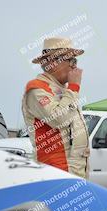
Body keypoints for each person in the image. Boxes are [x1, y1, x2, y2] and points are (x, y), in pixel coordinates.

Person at [22, 37, 90, 178]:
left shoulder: (64, 90)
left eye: (75, 61)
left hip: (73, 172)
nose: (74, 67)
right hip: (56, 173)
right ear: (53, 63)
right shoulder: (37, 89)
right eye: (71, 61)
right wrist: (73, 87)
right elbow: (59, 119)